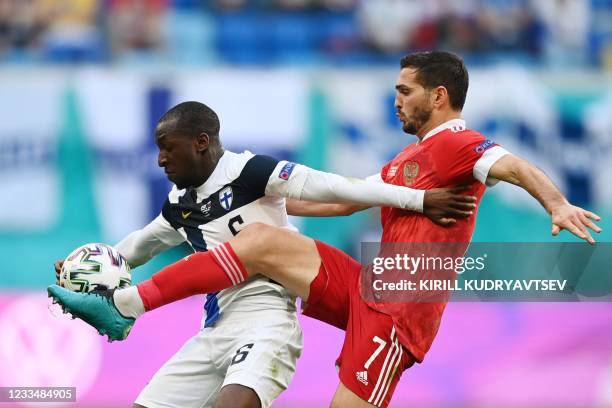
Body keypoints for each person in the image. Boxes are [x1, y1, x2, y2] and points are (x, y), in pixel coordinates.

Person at [49, 52, 601, 408]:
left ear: (438, 96)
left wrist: (555, 204)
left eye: (405, 90)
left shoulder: (457, 143)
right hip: (371, 287)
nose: (396, 99)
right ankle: (126, 305)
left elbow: (511, 164)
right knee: (264, 242)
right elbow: (343, 204)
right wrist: (270, 197)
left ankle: (125, 305)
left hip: (402, 311)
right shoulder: (412, 156)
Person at [52, 99, 476, 408]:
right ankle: (126, 307)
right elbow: (134, 248)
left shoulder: (252, 171)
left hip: (267, 322)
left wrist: (415, 200)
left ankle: (128, 307)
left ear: (201, 142)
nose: (160, 158)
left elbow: (337, 187)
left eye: (168, 147)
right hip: (214, 329)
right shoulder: (179, 205)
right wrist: (84, 266)